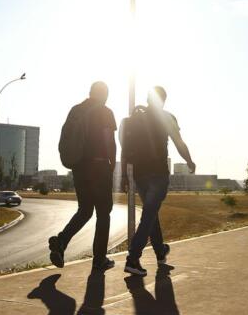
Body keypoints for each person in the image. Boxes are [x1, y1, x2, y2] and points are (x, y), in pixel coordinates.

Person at [123, 86, 195, 276]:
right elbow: (179, 142)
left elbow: (125, 145)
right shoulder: (166, 117)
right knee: (148, 216)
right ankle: (133, 258)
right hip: (158, 174)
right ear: (163, 100)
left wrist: (124, 174)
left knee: (151, 214)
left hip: (140, 174)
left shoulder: (136, 118)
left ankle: (160, 252)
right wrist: (189, 160)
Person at [49, 82, 117, 272]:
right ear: (104, 95)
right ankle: (99, 260)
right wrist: (111, 166)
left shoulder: (76, 110)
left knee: (85, 210)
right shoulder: (105, 112)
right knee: (104, 213)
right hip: (99, 166)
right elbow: (109, 141)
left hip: (79, 168)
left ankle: (61, 242)